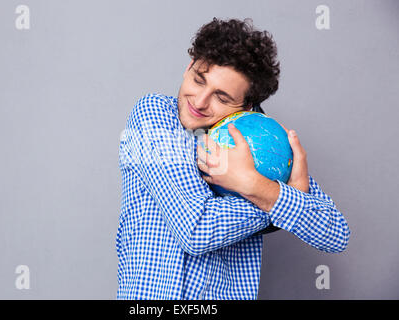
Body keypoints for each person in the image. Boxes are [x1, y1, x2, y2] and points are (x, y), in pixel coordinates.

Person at [116, 18, 350, 300]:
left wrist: (254, 184)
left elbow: (336, 233)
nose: (200, 101)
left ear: (247, 107)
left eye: (222, 98)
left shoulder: (258, 142)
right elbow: (195, 231)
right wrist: (277, 196)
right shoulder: (153, 115)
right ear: (189, 66)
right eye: (198, 80)